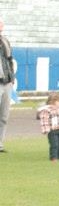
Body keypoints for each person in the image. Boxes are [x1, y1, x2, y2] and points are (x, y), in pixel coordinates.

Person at [37, 91, 59, 161]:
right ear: (52, 102)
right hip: (53, 131)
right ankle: (53, 157)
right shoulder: (46, 110)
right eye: (58, 101)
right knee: (54, 145)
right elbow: (45, 120)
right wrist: (46, 130)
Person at [0, 17, 14, 153]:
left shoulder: (5, 41)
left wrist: (12, 77)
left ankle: (0, 143)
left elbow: (10, 60)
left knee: (4, 116)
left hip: (6, 82)